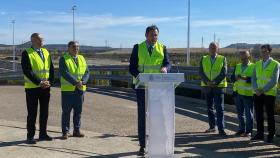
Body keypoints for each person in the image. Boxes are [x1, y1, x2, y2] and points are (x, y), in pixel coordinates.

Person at [129, 25, 171, 156]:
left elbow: (168, 63)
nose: (155, 37)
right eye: (153, 34)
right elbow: (132, 68)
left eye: (157, 35)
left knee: (157, 115)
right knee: (142, 116)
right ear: (146, 35)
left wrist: (166, 69)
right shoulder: (138, 47)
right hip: (142, 87)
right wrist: (140, 77)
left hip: (157, 87)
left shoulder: (162, 47)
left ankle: (157, 143)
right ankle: (142, 145)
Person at [21, 33, 54, 144]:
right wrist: (39, 82)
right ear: (33, 40)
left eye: (42, 39)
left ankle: (43, 134)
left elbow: (51, 69)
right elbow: (27, 70)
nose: (42, 41)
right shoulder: (27, 53)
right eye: (39, 39)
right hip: (32, 88)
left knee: (44, 112)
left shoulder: (46, 52)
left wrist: (50, 82)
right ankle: (30, 136)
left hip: (45, 87)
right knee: (32, 113)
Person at [59, 41, 90, 139]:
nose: (76, 48)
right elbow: (65, 73)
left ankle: (77, 130)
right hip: (68, 90)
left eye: (77, 47)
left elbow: (87, 72)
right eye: (73, 47)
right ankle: (65, 131)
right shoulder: (64, 59)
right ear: (68, 48)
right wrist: (76, 82)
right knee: (66, 112)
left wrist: (83, 81)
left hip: (80, 90)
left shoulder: (82, 58)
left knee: (78, 112)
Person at [251, 44, 279, 143]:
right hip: (257, 93)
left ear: (269, 52)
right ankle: (260, 134)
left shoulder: (275, 64)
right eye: (261, 51)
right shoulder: (257, 64)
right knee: (258, 115)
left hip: (269, 93)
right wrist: (256, 89)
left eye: (265, 51)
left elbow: (274, 80)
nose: (262, 53)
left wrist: (262, 90)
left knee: (270, 115)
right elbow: (253, 78)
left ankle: (271, 134)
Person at [199, 42, 228, 136]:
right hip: (207, 86)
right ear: (208, 49)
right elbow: (201, 72)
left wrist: (214, 82)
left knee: (220, 109)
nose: (212, 49)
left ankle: (221, 129)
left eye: (214, 47)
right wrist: (207, 81)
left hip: (218, 87)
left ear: (217, 49)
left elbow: (224, 72)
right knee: (209, 108)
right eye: (211, 47)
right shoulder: (203, 58)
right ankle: (212, 127)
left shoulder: (222, 58)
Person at [231, 51, 254, 137]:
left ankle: (248, 131)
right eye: (242, 58)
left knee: (248, 114)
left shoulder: (254, 66)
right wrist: (235, 78)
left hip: (248, 94)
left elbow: (255, 79)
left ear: (249, 57)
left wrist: (244, 78)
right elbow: (231, 78)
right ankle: (241, 129)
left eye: (245, 58)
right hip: (237, 93)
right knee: (240, 114)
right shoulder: (237, 66)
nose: (243, 60)